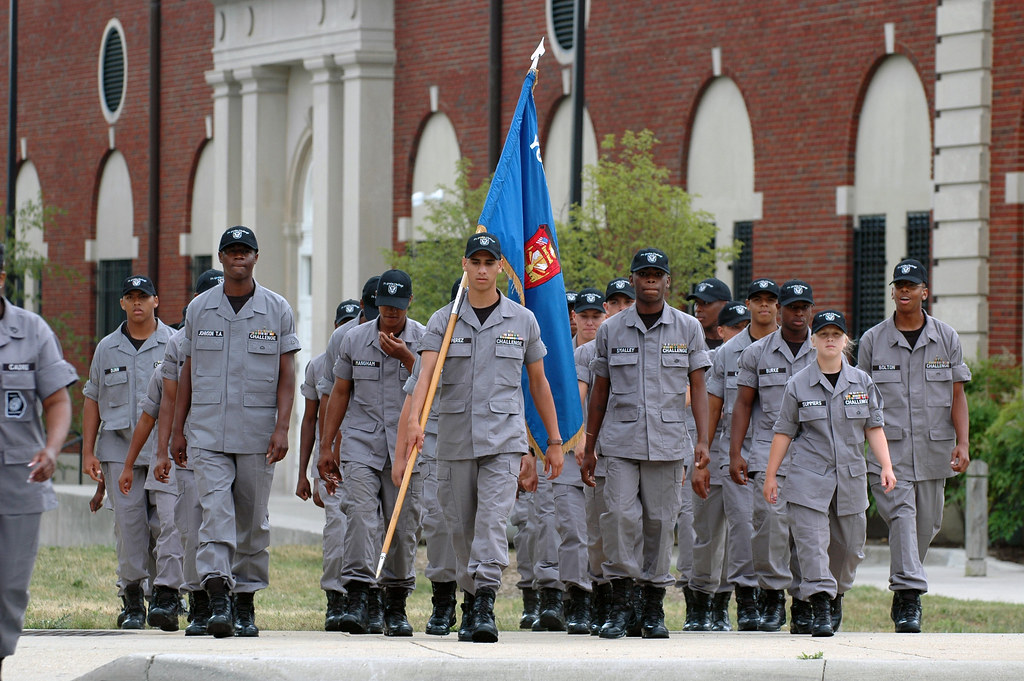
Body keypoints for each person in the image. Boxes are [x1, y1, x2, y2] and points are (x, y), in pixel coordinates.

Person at [405, 232, 564, 643]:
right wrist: (415, 421)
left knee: (492, 523)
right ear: (464, 265)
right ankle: (470, 596)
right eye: (474, 262)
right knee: (461, 528)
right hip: (454, 440)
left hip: (504, 440)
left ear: (499, 267)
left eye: (488, 263)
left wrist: (554, 439)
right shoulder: (444, 319)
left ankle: (484, 604)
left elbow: (539, 382)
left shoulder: (522, 319)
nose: (481, 269)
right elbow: (425, 376)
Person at [170, 226, 300, 638]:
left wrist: (282, 429)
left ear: (256, 258)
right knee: (215, 514)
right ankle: (218, 597)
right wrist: (178, 430)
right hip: (206, 433)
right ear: (222, 258)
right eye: (231, 251)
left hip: (258, 436)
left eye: (245, 251)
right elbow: (187, 372)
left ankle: (245, 603)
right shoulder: (199, 309)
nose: (238, 257)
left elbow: (287, 374)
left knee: (252, 521)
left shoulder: (277, 309)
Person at [581, 247, 711, 640]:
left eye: (658, 273)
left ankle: (652, 606)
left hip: (670, 442)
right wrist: (589, 445)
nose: (651, 279)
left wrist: (703, 439)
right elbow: (599, 390)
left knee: (660, 522)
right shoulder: (611, 329)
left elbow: (699, 386)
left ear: (668, 280)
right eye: (644, 273)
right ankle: (621, 605)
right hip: (619, 441)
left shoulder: (688, 327)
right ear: (634, 279)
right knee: (619, 518)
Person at [764, 310, 897, 636]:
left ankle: (835, 593)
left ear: (845, 341)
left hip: (850, 479)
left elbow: (874, 427)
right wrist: (770, 475)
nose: (829, 340)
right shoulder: (798, 384)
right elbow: (783, 432)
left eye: (836, 335)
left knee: (850, 548)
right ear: (813, 340)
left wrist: (887, 466)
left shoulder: (862, 381)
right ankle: (820, 604)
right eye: (823, 334)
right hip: (808, 477)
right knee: (811, 544)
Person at [857, 258, 971, 633]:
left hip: (934, 450)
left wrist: (963, 443)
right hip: (888, 454)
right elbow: (858, 399)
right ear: (893, 292)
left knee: (927, 524)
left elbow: (957, 396)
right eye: (898, 285)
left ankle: (904, 584)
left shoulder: (947, 337)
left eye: (912, 285)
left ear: (925, 291)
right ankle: (909, 597)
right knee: (903, 517)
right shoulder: (873, 340)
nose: (904, 291)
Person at [318, 269, 425, 637]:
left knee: (402, 525)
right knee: (360, 518)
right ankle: (359, 597)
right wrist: (327, 446)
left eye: (397, 309)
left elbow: (435, 389)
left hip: (405, 449)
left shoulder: (424, 339)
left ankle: (395, 604)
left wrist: (408, 357)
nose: (390, 315)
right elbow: (339, 392)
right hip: (361, 444)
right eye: (384, 308)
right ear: (374, 304)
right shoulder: (354, 339)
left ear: (409, 303)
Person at [0, 244, 77, 674]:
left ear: (1, 278)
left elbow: (58, 400)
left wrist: (52, 448)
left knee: (10, 585)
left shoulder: (32, 331)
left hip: (18, 480)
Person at [81, 274, 175, 629]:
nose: (137, 302)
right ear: (121, 303)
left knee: (169, 522)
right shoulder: (107, 347)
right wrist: (88, 452)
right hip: (119, 450)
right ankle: (133, 598)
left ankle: (166, 596)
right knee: (129, 526)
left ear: (155, 302)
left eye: (143, 296)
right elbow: (92, 399)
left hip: (163, 450)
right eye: (130, 297)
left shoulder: (173, 343)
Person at [692, 279, 781, 632]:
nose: (764, 306)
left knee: (780, 531)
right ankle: (745, 600)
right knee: (741, 529)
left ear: (778, 305)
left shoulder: (796, 348)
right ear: (748, 303)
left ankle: (787, 600)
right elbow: (713, 408)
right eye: (757, 300)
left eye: (770, 300)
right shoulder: (728, 353)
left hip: (784, 456)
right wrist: (704, 458)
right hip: (738, 455)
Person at [730, 279, 816, 633]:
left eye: (803, 307)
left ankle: (808, 601)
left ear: (810, 309)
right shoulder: (757, 352)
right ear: (781, 310)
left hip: (815, 454)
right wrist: (736, 452)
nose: (798, 313)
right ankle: (772, 595)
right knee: (769, 525)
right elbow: (744, 405)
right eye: (791, 307)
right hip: (768, 452)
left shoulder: (826, 350)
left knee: (809, 531)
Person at [295, 299, 359, 631]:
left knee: (367, 529)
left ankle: (364, 597)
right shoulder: (319, 365)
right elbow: (311, 420)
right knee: (337, 528)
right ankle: (335, 598)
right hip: (333, 459)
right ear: (336, 328)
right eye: (343, 323)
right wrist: (306, 472)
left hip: (368, 455)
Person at [577, 278, 636, 635]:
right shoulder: (588, 351)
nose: (618, 309)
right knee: (601, 531)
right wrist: (587, 444)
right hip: (603, 450)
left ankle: (636, 603)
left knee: (641, 526)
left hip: (644, 447)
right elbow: (582, 399)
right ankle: (602, 596)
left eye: (624, 303)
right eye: (613, 304)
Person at [687, 300, 750, 631]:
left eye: (745, 326)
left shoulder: (763, 357)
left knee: (739, 536)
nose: (741, 334)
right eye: (735, 328)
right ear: (721, 331)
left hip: (743, 460)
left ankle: (723, 604)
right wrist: (701, 458)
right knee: (707, 535)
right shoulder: (711, 362)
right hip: (713, 456)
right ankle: (698, 602)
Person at [678, 277, 732, 629]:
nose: (699, 307)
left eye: (707, 302)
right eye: (696, 301)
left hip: (729, 446)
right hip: (687, 444)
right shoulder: (683, 338)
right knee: (694, 528)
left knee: (729, 530)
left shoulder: (740, 346)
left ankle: (721, 605)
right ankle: (695, 602)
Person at [686, 277, 733, 349]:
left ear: (725, 305)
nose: (698, 309)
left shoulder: (739, 340)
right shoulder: (684, 340)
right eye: (696, 303)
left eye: (706, 303)